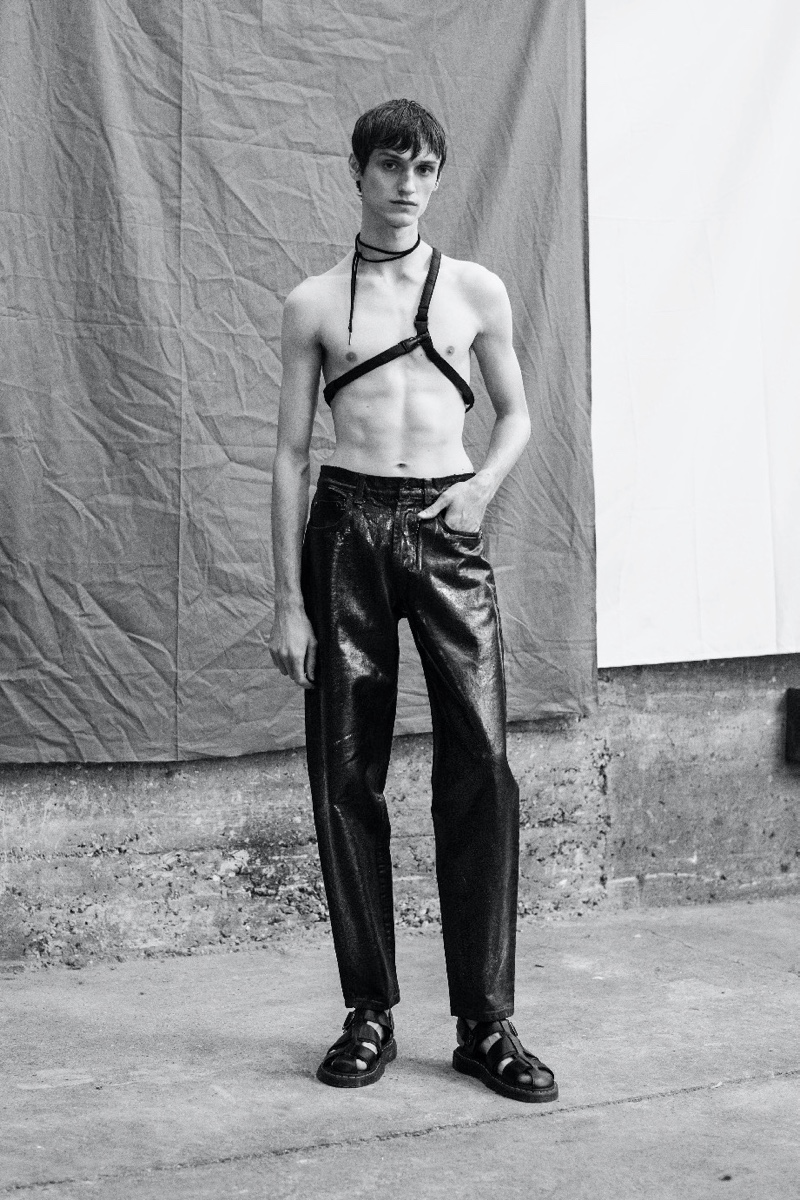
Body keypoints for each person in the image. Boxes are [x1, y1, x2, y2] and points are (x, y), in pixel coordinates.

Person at [269, 99, 557, 1103]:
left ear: (438, 178)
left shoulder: (475, 289)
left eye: (425, 168)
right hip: (345, 528)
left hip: (445, 526)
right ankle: (369, 1012)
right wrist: (287, 600)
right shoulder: (313, 302)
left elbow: (516, 416)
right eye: (391, 165)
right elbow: (289, 454)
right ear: (356, 172)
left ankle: (485, 1023)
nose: (408, 184)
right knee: (345, 773)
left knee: (481, 764)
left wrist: (481, 490)